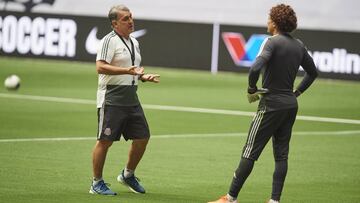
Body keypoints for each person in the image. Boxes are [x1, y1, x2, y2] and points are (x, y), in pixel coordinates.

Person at [208, 4, 318, 203]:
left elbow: (255, 68)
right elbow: (313, 73)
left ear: (275, 23)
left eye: (269, 19)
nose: (267, 22)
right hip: (290, 104)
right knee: (281, 155)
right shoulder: (299, 45)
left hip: (271, 104)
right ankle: (275, 200)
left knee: (250, 151)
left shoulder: (271, 42)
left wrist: (252, 88)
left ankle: (230, 198)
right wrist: (297, 92)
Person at [89, 4, 160, 196]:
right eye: (125, 19)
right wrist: (127, 71)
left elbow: (132, 71)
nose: (131, 21)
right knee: (105, 141)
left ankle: (128, 174)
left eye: (131, 17)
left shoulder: (133, 42)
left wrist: (143, 77)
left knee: (143, 137)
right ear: (114, 24)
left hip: (131, 98)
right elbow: (100, 67)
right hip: (111, 98)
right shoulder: (108, 41)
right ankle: (96, 183)